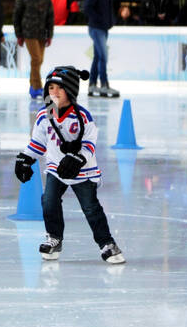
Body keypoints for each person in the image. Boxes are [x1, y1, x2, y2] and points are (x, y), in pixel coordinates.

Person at [14, 65, 125, 264]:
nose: (54, 92)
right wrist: (25, 158)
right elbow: (38, 143)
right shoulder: (44, 115)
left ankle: (107, 243)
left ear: (71, 91)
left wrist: (78, 158)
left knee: (90, 207)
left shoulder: (82, 116)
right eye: (50, 88)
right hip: (55, 169)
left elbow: (90, 143)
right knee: (49, 201)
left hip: (82, 171)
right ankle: (54, 238)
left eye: (59, 88)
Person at [12, 0, 54, 99]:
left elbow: (50, 17)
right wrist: (19, 35)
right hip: (28, 34)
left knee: (39, 60)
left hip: (41, 34)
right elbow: (16, 17)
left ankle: (32, 86)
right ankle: (37, 87)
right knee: (36, 59)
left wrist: (49, 35)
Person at [81, 0, 118, 97]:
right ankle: (103, 85)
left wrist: (110, 21)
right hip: (97, 29)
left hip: (103, 28)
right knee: (103, 56)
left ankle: (92, 84)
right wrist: (100, 21)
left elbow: (107, 10)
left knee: (98, 57)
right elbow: (87, 8)